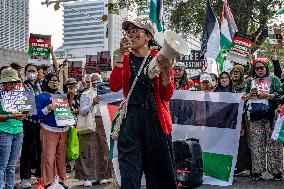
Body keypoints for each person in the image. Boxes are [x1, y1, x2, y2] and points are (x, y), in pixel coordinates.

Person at [109, 18, 177, 189]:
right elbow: (114, 85)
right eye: (128, 32)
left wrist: (166, 73)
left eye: (135, 31)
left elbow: (166, 95)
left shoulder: (159, 57)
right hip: (130, 119)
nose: (131, 35)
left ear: (148, 36)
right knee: (130, 174)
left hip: (155, 119)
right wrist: (119, 56)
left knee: (159, 175)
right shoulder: (124, 57)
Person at [243, 58, 283, 181]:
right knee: (256, 143)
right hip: (255, 116)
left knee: (274, 143)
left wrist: (268, 95)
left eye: (262, 67)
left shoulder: (274, 79)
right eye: (257, 68)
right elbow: (243, 96)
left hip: (271, 115)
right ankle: (257, 171)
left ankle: (276, 171)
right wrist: (249, 95)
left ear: (266, 68)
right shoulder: (250, 81)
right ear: (254, 70)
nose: (260, 70)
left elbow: (280, 94)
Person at [75, 73, 113, 187]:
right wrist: (93, 103)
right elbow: (82, 111)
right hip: (90, 121)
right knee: (87, 149)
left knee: (104, 149)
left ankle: (103, 175)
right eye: (94, 81)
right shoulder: (85, 94)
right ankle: (87, 177)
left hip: (104, 121)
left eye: (98, 80)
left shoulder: (107, 92)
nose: (96, 83)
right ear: (90, 82)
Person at [35, 72, 69, 189]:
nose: (55, 83)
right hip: (48, 130)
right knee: (48, 157)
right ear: (46, 81)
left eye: (56, 81)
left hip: (63, 130)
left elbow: (65, 112)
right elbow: (35, 115)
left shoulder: (60, 95)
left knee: (61, 157)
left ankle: (60, 180)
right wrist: (47, 109)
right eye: (52, 80)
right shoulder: (41, 96)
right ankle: (48, 182)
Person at [0, 68, 26, 189]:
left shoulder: (18, 93)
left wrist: (23, 114)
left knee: (11, 166)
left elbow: (24, 111)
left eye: (14, 82)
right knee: (2, 165)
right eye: (10, 82)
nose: (13, 84)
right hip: (4, 132)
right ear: (3, 82)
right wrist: (10, 116)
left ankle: (9, 187)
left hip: (18, 131)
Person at [19, 64, 42, 188]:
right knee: (27, 151)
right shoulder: (22, 86)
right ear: (25, 72)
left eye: (34, 71)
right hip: (28, 122)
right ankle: (25, 178)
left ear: (37, 72)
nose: (32, 73)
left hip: (40, 122)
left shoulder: (41, 85)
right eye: (29, 71)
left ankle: (39, 176)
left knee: (40, 150)